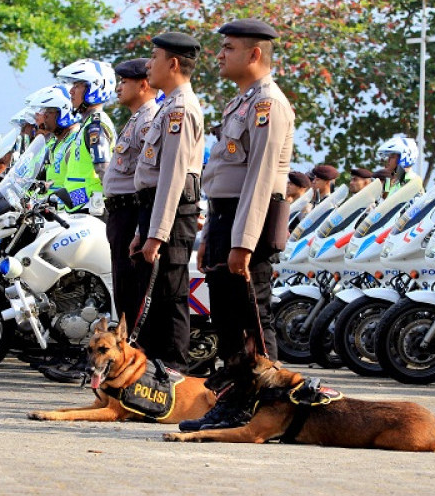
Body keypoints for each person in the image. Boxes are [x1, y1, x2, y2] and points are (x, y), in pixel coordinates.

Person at [181, 19, 294, 432]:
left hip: (251, 223)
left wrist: (243, 243)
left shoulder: (269, 105)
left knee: (252, 322)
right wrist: (212, 233)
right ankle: (233, 404)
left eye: (229, 47)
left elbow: (261, 181)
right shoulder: (242, 102)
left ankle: (272, 409)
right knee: (228, 320)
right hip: (227, 218)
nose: (220, 54)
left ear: (254, 54)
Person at [127, 31, 204, 372]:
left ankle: (174, 372)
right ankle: (156, 370)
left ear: (172, 63)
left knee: (171, 295)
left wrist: (157, 232)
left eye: (154, 57)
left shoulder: (180, 109)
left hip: (171, 213)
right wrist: (145, 230)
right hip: (155, 209)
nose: (148, 64)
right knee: (155, 295)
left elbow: (173, 175)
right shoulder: (167, 106)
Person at [103, 58, 159, 329]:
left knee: (131, 290)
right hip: (119, 213)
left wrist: (139, 225)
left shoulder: (149, 120)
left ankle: (133, 352)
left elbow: (148, 177)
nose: (118, 88)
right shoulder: (136, 119)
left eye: (124, 82)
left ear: (143, 84)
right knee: (122, 287)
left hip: (130, 212)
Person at [56, 59, 117, 212]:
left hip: (92, 210)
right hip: (79, 208)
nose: (71, 91)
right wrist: (63, 199)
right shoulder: (87, 124)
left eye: (77, 85)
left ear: (94, 87)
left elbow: (104, 173)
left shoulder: (95, 126)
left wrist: (73, 198)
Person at [26, 84, 81, 194]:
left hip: (72, 210)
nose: (44, 116)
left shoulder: (76, 140)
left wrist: (61, 202)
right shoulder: (55, 143)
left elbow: (79, 185)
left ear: (62, 112)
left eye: (48, 112)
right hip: (53, 209)